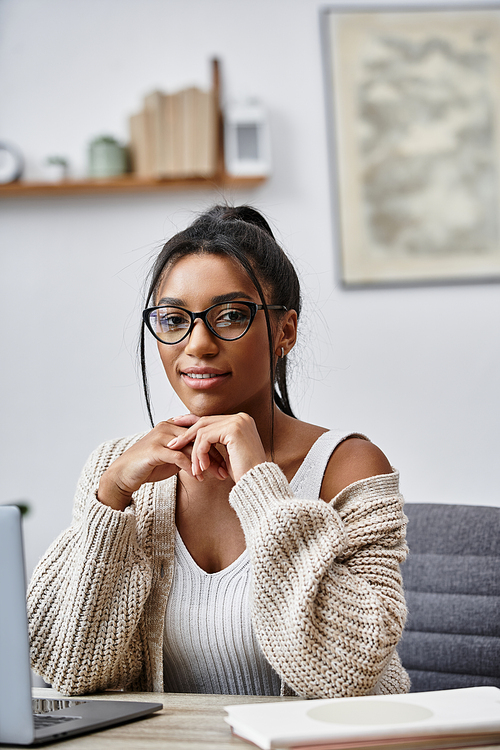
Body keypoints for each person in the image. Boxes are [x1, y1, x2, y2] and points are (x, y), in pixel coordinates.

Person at [28, 205, 409, 698]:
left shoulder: (348, 466)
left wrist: (262, 489)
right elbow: (70, 671)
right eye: (174, 319)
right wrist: (111, 498)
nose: (198, 344)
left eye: (230, 315)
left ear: (285, 333)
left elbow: (347, 673)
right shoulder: (120, 473)